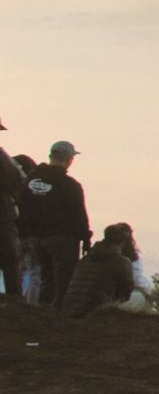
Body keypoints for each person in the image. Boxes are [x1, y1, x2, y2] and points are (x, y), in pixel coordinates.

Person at [19, 140, 91, 308]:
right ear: (69, 160)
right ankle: (58, 314)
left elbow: (22, 206)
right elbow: (79, 215)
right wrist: (85, 238)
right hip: (62, 240)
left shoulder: (30, 180)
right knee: (64, 281)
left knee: (45, 279)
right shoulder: (70, 185)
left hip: (34, 240)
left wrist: (24, 234)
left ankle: (41, 312)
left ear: (51, 156)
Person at [61, 223, 134, 317]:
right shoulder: (122, 262)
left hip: (69, 310)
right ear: (123, 241)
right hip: (94, 313)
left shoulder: (85, 259)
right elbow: (124, 296)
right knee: (139, 296)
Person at [11, 154, 41, 303]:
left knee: (16, 271)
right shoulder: (31, 191)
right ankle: (29, 305)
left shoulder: (9, 190)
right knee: (34, 272)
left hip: (13, 236)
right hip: (28, 236)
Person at [0, 126, 25, 298]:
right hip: (3, 216)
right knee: (11, 261)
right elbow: (16, 179)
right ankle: (14, 301)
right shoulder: (2, 157)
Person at [112, 222, 151, 312]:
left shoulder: (92, 256)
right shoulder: (126, 260)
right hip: (111, 300)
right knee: (140, 296)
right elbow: (136, 282)